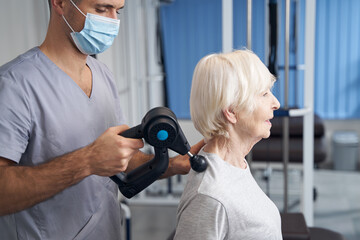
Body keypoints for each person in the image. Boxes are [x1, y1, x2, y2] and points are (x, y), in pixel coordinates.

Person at [0, 0, 203, 239]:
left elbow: (120, 159)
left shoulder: (102, 74)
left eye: (118, 11)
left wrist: (172, 165)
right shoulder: (14, 85)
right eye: (101, 9)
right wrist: (87, 161)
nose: (112, 21)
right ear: (60, 3)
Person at [174, 50, 282, 240]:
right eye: (264, 94)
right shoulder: (209, 196)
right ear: (232, 111)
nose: (276, 103)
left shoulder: (235, 165)